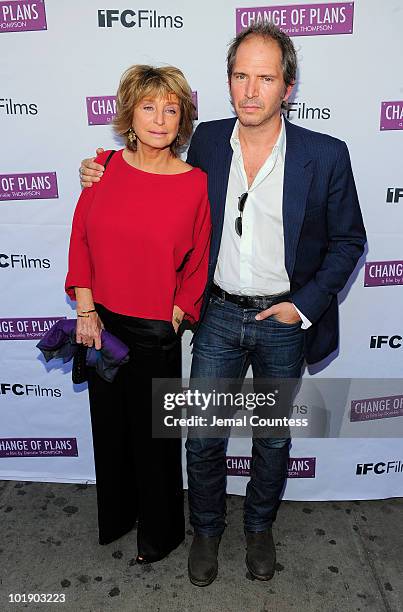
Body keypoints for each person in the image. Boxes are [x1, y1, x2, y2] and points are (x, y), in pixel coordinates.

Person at [79, 23, 366, 586]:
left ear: (288, 86)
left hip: (284, 319)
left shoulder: (326, 155)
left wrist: (302, 306)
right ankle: (207, 529)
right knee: (203, 435)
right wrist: (100, 171)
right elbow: (149, 170)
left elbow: (349, 241)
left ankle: (257, 527)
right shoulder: (206, 141)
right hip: (216, 313)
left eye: (266, 77)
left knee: (273, 436)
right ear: (229, 81)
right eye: (241, 76)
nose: (251, 91)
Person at [66, 64, 211, 564]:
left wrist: (178, 311)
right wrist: (85, 309)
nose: (160, 118)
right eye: (148, 106)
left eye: (171, 109)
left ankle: (161, 533)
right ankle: (118, 518)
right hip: (102, 323)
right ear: (130, 113)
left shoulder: (195, 183)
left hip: (155, 329)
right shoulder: (103, 167)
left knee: (156, 440)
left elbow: (199, 256)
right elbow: (80, 240)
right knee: (111, 430)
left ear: (182, 120)